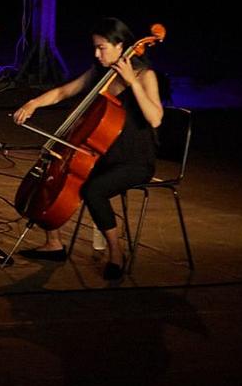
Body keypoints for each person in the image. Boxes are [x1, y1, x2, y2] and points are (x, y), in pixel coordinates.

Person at [12, 18, 164, 280]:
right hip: (103, 157)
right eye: (95, 47)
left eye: (102, 47)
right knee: (57, 177)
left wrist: (132, 83)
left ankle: (116, 253)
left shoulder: (145, 76)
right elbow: (65, 91)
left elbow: (155, 118)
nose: (96, 54)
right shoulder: (100, 72)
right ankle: (54, 243)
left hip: (134, 162)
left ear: (121, 46)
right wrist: (34, 103)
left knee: (93, 190)